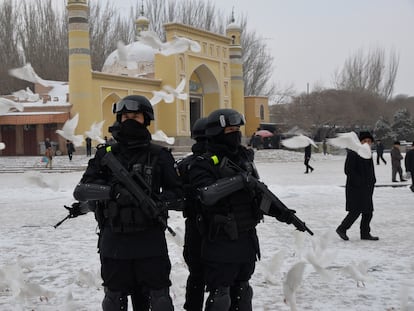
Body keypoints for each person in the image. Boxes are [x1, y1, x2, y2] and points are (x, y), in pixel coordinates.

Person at [73, 95, 182, 310]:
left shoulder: (159, 155)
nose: (129, 120)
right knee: (114, 301)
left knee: (160, 300)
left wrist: (161, 202)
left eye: (135, 116)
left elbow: (179, 194)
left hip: (150, 241)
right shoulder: (105, 155)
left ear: (146, 119)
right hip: (114, 241)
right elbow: (82, 191)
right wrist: (113, 192)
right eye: (125, 117)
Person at [188, 108, 296, 310]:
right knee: (221, 296)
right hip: (219, 241)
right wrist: (239, 181)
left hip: (246, 239)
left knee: (243, 293)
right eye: (229, 129)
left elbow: (258, 195)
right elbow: (206, 195)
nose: (235, 133)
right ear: (216, 132)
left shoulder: (244, 160)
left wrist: (282, 213)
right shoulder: (202, 164)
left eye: (237, 129)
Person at [176, 117, 208, 311]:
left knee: (196, 276)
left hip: (195, 227)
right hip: (213, 229)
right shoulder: (188, 165)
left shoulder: (185, 164)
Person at [336, 131, 379, 241]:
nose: (367, 143)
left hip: (367, 188)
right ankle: (342, 229)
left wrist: (372, 180)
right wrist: (359, 182)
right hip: (356, 188)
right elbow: (348, 170)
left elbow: (370, 170)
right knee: (355, 211)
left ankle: (365, 233)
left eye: (369, 141)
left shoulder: (368, 154)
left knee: (368, 212)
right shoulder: (353, 153)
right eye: (364, 141)